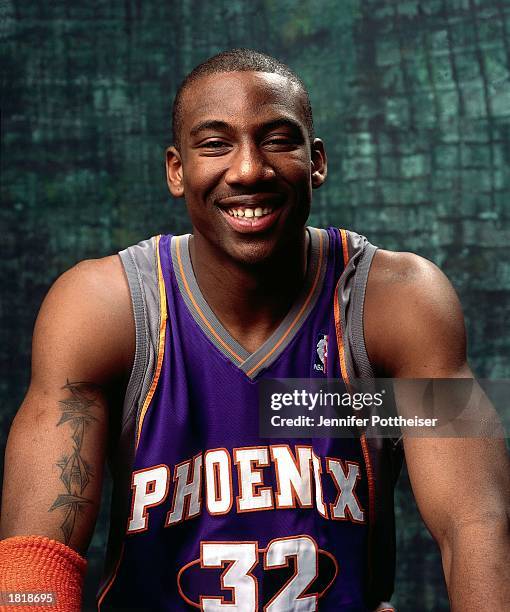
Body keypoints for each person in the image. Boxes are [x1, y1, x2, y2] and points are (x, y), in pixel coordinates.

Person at [0, 49, 508, 612]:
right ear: (177, 170)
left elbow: (475, 524)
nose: (248, 170)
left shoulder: (396, 304)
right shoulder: (103, 309)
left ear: (316, 162)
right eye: (216, 144)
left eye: (277, 139)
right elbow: (35, 558)